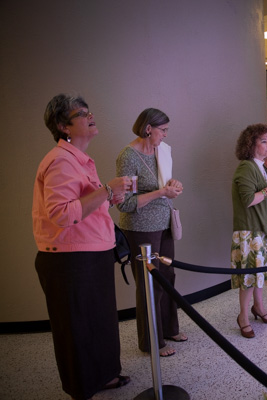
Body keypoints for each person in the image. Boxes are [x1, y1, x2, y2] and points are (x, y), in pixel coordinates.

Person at [33, 94, 132, 399]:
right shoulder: (61, 161)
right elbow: (62, 214)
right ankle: (83, 387)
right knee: (78, 330)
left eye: (90, 111)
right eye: (82, 114)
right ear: (64, 126)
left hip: (88, 256)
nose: (90, 116)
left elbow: (83, 205)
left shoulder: (77, 159)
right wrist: (106, 190)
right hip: (70, 261)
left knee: (97, 323)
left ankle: (102, 377)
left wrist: (109, 196)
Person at [116, 108, 186, 357]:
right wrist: (161, 193)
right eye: (163, 130)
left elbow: (165, 183)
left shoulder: (162, 150)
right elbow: (124, 203)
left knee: (167, 276)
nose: (166, 135)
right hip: (141, 228)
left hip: (164, 222)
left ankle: (169, 329)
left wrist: (173, 186)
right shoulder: (128, 156)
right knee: (149, 284)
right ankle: (152, 342)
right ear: (148, 129)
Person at [231, 123, 267, 338]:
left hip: (264, 228)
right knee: (249, 277)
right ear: (250, 145)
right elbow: (248, 200)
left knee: (259, 274)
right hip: (249, 231)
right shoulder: (246, 167)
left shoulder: (261, 166)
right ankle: (243, 316)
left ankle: (259, 308)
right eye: (263, 141)